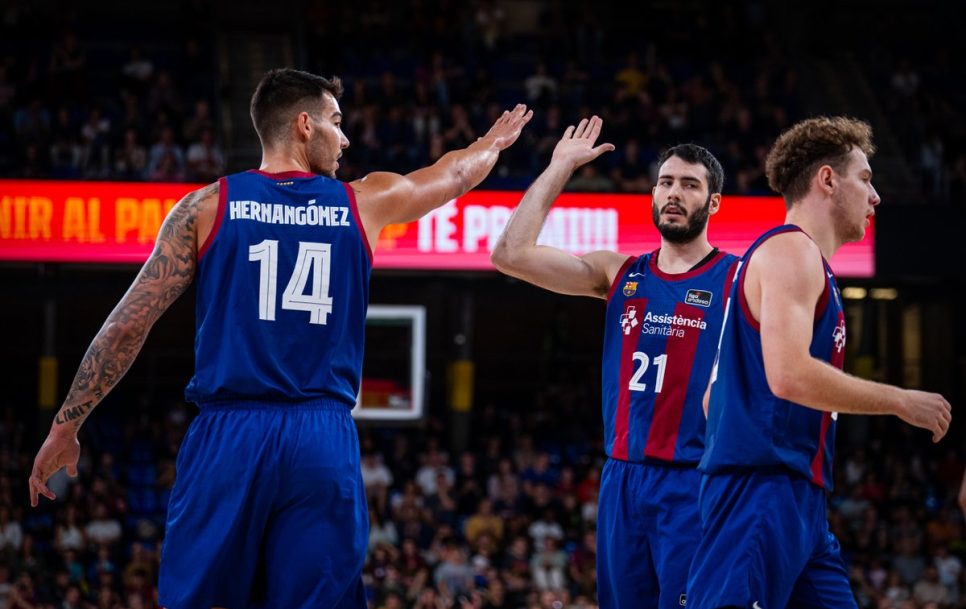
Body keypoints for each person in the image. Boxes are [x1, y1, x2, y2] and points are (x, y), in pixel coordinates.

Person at [27, 68, 532, 609]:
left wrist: (67, 423)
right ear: (304, 125)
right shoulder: (362, 202)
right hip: (321, 438)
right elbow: (454, 176)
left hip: (229, 436)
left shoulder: (204, 208)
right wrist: (490, 144)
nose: (346, 138)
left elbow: (127, 324)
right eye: (337, 123)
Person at [687, 116, 952, 609]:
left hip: (796, 500)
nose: (876, 197)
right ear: (827, 180)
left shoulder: (804, 264)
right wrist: (899, 401)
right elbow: (788, 376)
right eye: (866, 179)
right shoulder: (791, 251)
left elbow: (709, 399)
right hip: (759, 493)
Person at [491, 116, 739, 609]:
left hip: (694, 481)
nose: (674, 193)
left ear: (712, 203)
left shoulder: (739, 279)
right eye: (666, 182)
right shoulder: (618, 271)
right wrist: (560, 167)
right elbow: (510, 254)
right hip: (622, 479)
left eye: (690, 185)